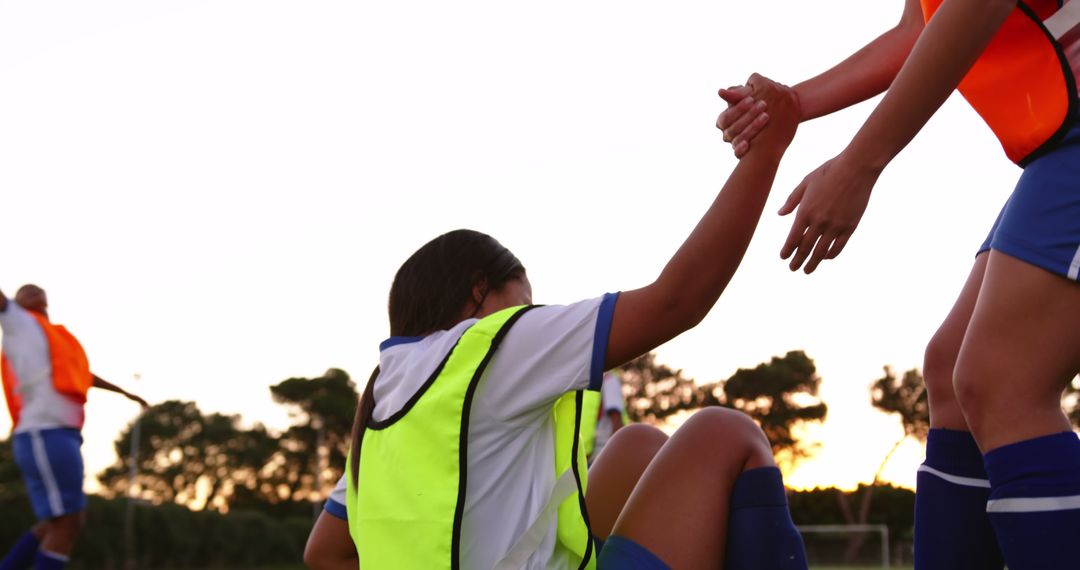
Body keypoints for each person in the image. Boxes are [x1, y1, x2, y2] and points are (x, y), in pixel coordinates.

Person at [304, 75, 808, 569]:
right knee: (723, 433)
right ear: (479, 290)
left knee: (638, 445)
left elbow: (323, 552)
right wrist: (768, 149)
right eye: (521, 303)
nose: (527, 317)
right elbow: (678, 301)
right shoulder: (487, 346)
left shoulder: (383, 416)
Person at [716, 1, 1080, 568]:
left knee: (1001, 379)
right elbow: (922, 25)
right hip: (1058, 147)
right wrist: (797, 103)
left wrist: (859, 164)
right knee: (953, 371)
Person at [0, 284, 148, 570]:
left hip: (62, 435)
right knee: (68, 522)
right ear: (16, 302)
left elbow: (84, 376)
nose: (32, 289)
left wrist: (126, 393)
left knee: (59, 521)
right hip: (44, 433)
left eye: (36, 288)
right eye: (24, 290)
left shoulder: (52, 338)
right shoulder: (18, 323)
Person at [583, 369, 628, 463]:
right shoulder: (585, 381)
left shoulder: (609, 378)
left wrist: (615, 452)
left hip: (601, 451)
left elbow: (615, 415)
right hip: (586, 453)